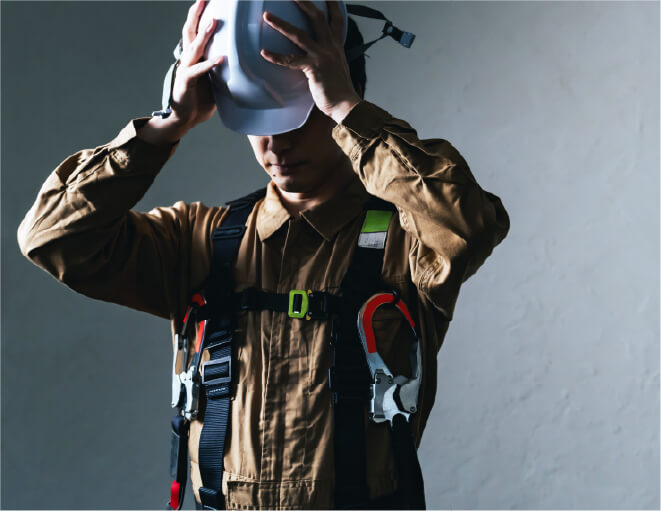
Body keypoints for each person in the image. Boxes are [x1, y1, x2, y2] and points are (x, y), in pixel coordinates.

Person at [17, 1, 510, 509]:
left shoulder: (407, 241)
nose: (274, 142)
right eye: (255, 117)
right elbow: (52, 236)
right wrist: (167, 125)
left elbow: (469, 223)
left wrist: (348, 110)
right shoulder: (199, 240)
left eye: (294, 116)